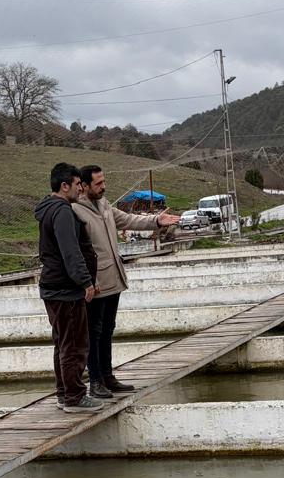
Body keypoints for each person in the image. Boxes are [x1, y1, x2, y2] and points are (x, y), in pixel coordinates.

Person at [72, 164, 180, 398]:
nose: (103, 186)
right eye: (98, 183)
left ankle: (108, 376)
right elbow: (78, 252)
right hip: (96, 282)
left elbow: (129, 220)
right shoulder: (76, 211)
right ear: (84, 185)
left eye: (104, 181)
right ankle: (96, 380)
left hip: (114, 277)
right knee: (94, 331)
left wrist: (157, 221)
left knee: (108, 329)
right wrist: (87, 281)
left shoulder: (104, 205)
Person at [33, 163, 102, 411]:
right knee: (74, 343)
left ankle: (64, 392)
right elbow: (70, 251)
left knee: (63, 342)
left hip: (55, 286)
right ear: (65, 186)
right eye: (76, 184)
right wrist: (85, 281)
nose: (80, 189)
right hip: (65, 288)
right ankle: (74, 396)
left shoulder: (50, 210)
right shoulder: (61, 211)